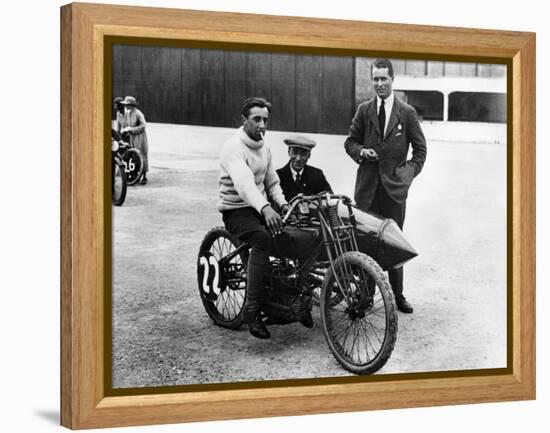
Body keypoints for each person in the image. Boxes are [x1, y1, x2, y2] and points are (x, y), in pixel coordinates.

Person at [217, 97, 313, 339]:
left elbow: (272, 183)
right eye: (256, 119)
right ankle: (252, 311)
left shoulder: (265, 148)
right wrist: (266, 209)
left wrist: (282, 204)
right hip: (236, 209)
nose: (262, 125)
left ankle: (292, 298)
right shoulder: (233, 147)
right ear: (244, 120)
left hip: (261, 206)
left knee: (298, 234)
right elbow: (244, 184)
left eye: (265, 120)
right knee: (262, 239)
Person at [344, 58, 427, 314]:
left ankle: (397, 296)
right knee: (366, 242)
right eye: (376, 79)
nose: (380, 84)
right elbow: (350, 142)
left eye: (384, 79)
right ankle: (365, 296)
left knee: (394, 242)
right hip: (367, 190)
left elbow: (420, 151)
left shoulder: (407, 113)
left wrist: (405, 175)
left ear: (393, 79)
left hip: (394, 191)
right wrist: (361, 152)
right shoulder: (364, 110)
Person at [276, 135, 333, 201]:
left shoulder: (317, 174)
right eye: (295, 152)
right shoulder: (277, 176)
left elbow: (329, 197)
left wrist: (324, 200)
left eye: (303, 154)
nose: (298, 158)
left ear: (309, 155)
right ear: (289, 152)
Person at [119, 96, 149, 185]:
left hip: (140, 137)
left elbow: (143, 126)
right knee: (134, 156)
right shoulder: (128, 113)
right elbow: (127, 124)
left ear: (131, 105)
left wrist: (132, 129)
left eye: (127, 104)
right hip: (132, 137)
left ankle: (144, 176)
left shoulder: (138, 113)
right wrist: (126, 130)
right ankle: (136, 175)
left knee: (142, 154)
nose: (126, 106)